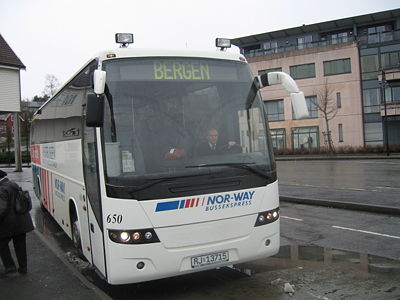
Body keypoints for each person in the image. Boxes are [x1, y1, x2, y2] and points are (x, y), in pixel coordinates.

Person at [0, 170, 34, 276]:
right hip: (22, 221)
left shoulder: (2, 189)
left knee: (1, 244)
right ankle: (23, 268)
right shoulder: (13, 184)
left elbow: (2, 209)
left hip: (10, 224)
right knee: (20, 245)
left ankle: (10, 267)